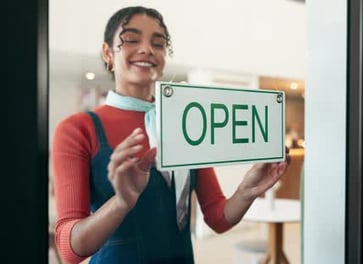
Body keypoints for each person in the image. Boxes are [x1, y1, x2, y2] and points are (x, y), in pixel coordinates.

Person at [51, 6, 290, 264]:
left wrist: (247, 190)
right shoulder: (78, 129)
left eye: (158, 43)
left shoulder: (188, 122)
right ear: (108, 53)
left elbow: (217, 217)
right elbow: (69, 248)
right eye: (131, 39)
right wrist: (121, 202)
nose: (147, 49)